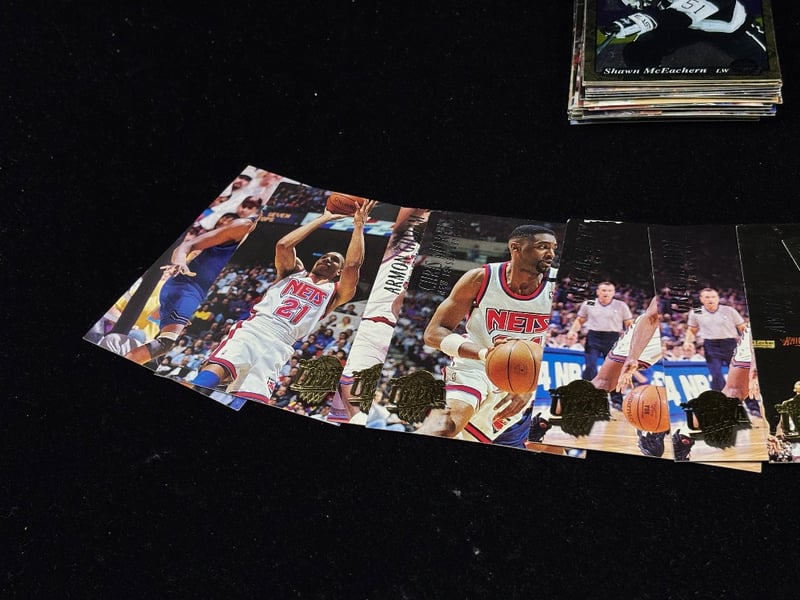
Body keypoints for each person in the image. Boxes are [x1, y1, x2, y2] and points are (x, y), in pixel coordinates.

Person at [190, 199, 377, 403]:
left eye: (334, 260)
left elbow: (352, 265)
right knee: (218, 369)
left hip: (281, 345)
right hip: (255, 329)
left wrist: (359, 226)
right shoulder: (293, 271)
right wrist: (324, 218)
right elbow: (283, 245)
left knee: (251, 397)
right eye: (325, 256)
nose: (327, 260)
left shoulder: (336, 292)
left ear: (339, 272)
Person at [412, 225, 559, 446]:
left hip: (523, 375)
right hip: (475, 366)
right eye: (542, 247)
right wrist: (485, 354)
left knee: (548, 446)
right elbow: (433, 333)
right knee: (445, 427)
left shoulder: (556, 285)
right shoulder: (480, 278)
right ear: (516, 248)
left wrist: (531, 385)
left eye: (553, 248)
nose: (551, 254)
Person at [115, 202, 262, 366]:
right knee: (167, 342)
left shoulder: (260, 246)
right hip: (188, 285)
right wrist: (179, 261)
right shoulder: (243, 226)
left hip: (202, 295)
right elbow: (189, 245)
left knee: (167, 345)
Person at [327, 208, 430, 423]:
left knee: (349, 387)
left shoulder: (404, 251)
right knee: (348, 393)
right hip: (381, 325)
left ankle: (357, 419)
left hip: (380, 325)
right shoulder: (406, 252)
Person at [605, 0, 768, 70]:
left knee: (764, 63)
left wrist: (644, 20)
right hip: (685, 26)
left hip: (733, 30)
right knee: (638, 52)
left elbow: (680, 17)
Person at [566, 281, 633, 382]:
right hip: (593, 336)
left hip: (612, 338)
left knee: (612, 368)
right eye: (604, 290)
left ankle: (614, 392)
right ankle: (587, 388)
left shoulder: (621, 305)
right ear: (598, 291)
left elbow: (629, 323)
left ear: (614, 292)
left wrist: (631, 337)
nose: (606, 293)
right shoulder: (589, 303)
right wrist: (572, 331)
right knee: (590, 365)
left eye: (610, 291)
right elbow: (580, 320)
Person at [682, 287, 746, 391]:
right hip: (710, 345)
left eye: (713, 297)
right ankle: (722, 397)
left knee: (737, 374)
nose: (710, 299)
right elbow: (692, 329)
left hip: (729, 344)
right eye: (707, 297)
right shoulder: (696, 311)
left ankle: (749, 400)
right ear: (701, 299)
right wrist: (687, 341)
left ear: (718, 298)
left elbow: (742, 327)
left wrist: (748, 342)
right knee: (715, 375)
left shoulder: (729, 310)